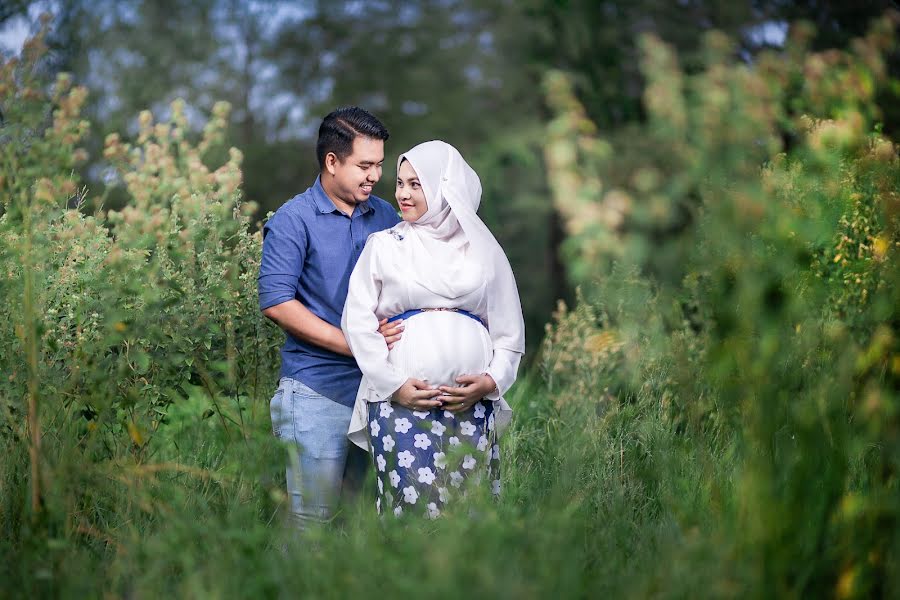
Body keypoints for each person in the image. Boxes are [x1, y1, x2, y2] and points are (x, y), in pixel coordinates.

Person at [342, 140, 525, 518]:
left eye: (416, 184)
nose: (402, 194)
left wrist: (490, 382)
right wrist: (394, 385)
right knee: (409, 513)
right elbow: (357, 323)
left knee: (467, 517)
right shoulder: (385, 246)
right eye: (399, 183)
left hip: (469, 406)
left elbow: (509, 334)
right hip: (400, 404)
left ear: (446, 188)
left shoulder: (483, 252)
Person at [258, 107, 423, 527]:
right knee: (311, 523)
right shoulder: (293, 220)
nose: (374, 176)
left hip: (380, 393)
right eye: (364, 165)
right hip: (316, 392)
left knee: (363, 523)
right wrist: (355, 344)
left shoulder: (387, 216)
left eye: (379, 166)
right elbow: (277, 301)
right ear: (332, 161)